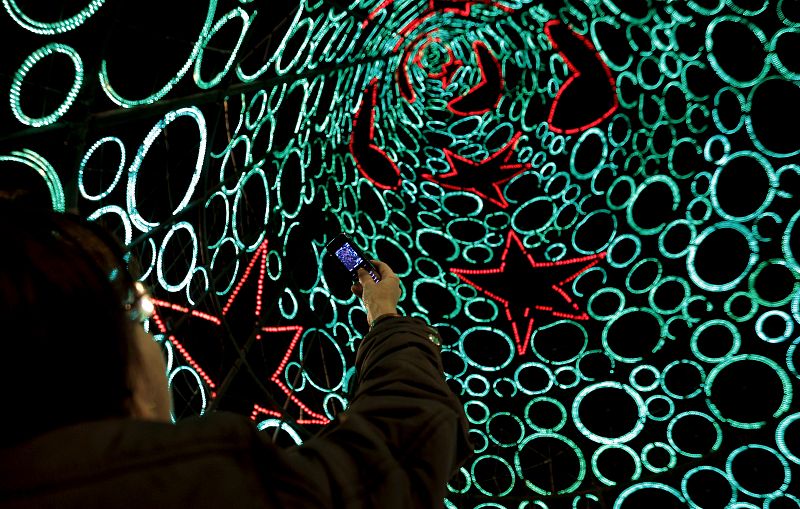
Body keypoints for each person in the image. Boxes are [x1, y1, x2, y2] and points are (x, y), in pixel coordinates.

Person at [0, 200, 472, 508]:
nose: (150, 333)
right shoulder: (207, 484)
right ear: (107, 360)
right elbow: (405, 442)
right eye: (135, 316)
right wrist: (384, 312)